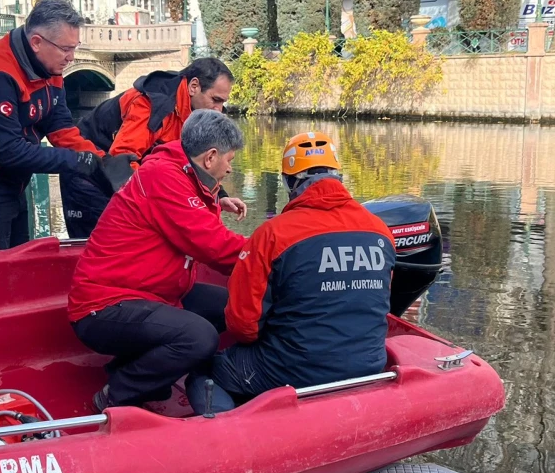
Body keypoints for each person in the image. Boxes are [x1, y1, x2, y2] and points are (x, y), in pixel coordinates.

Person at [187, 131, 396, 414]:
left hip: (294, 370)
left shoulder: (273, 235)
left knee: (204, 373)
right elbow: (379, 302)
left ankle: (227, 442)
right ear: (338, 176)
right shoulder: (380, 231)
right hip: (367, 364)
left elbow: (243, 325)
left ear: (290, 182)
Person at [68, 110, 248, 411]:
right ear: (210, 157)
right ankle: (117, 395)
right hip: (105, 304)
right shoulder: (164, 178)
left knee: (231, 306)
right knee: (199, 337)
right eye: (229, 161)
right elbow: (215, 246)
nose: (229, 169)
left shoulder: (181, 169)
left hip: (151, 291)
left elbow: (193, 218)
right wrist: (275, 253)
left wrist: (216, 200)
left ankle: (144, 374)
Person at [0, 0, 107, 252]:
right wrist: (76, 162)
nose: (71, 58)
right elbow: (8, 151)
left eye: (75, 48)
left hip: (13, 184)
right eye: (66, 49)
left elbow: (61, 126)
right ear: (37, 43)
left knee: (17, 264)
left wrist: (100, 159)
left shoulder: (48, 68)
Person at [63, 58, 240, 238]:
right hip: (88, 173)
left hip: (121, 170)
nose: (218, 110)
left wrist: (219, 196)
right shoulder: (151, 104)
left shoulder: (196, 112)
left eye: (222, 103)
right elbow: (122, 159)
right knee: (102, 242)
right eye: (215, 100)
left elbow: (197, 162)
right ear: (194, 86)